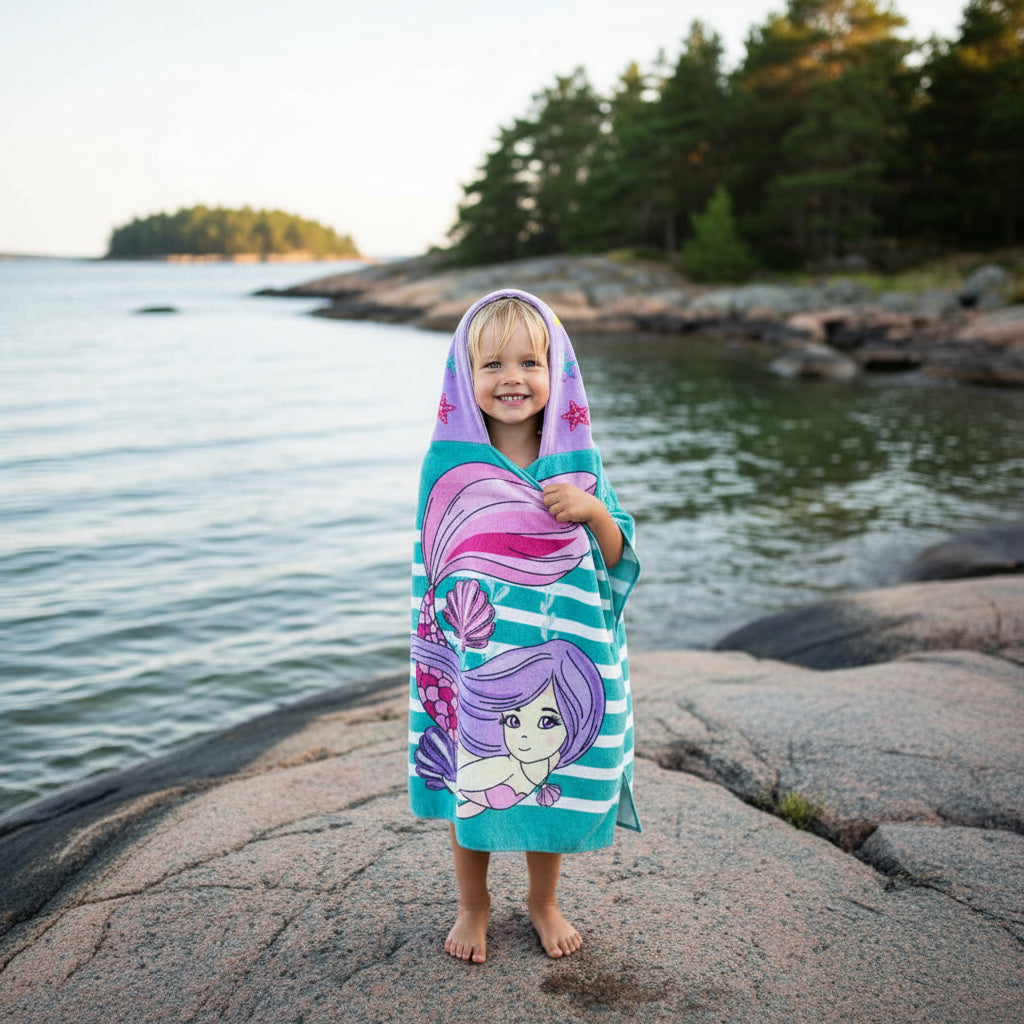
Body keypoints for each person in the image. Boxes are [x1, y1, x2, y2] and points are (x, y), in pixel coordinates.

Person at [409, 290, 640, 963]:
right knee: (471, 780)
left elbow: (618, 558)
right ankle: (473, 905)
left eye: (529, 363)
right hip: (479, 663)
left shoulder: (579, 465)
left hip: (558, 661)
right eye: (492, 365)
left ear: (557, 372)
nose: (512, 378)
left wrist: (593, 513)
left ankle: (543, 901)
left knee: (547, 777)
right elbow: (433, 573)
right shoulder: (450, 469)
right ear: (465, 377)